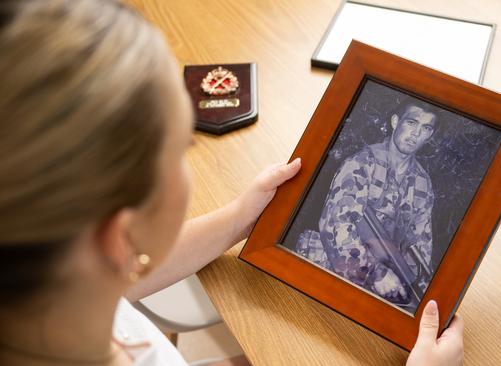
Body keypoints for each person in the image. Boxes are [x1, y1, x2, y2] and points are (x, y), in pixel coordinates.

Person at [0, 0, 463, 365]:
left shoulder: (50, 284)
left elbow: (116, 275)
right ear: (119, 234)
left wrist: (241, 218)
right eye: (184, 146)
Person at [296, 99, 436, 306]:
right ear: (395, 121)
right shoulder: (362, 163)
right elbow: (336, 226)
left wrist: (416, 292)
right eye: (411, 123)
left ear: (429, 135)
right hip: (328, 267)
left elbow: (421, 248)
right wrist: (375, 273)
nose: (416, 133)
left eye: (425, 128)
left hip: (382, 283)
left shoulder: (423, 184)